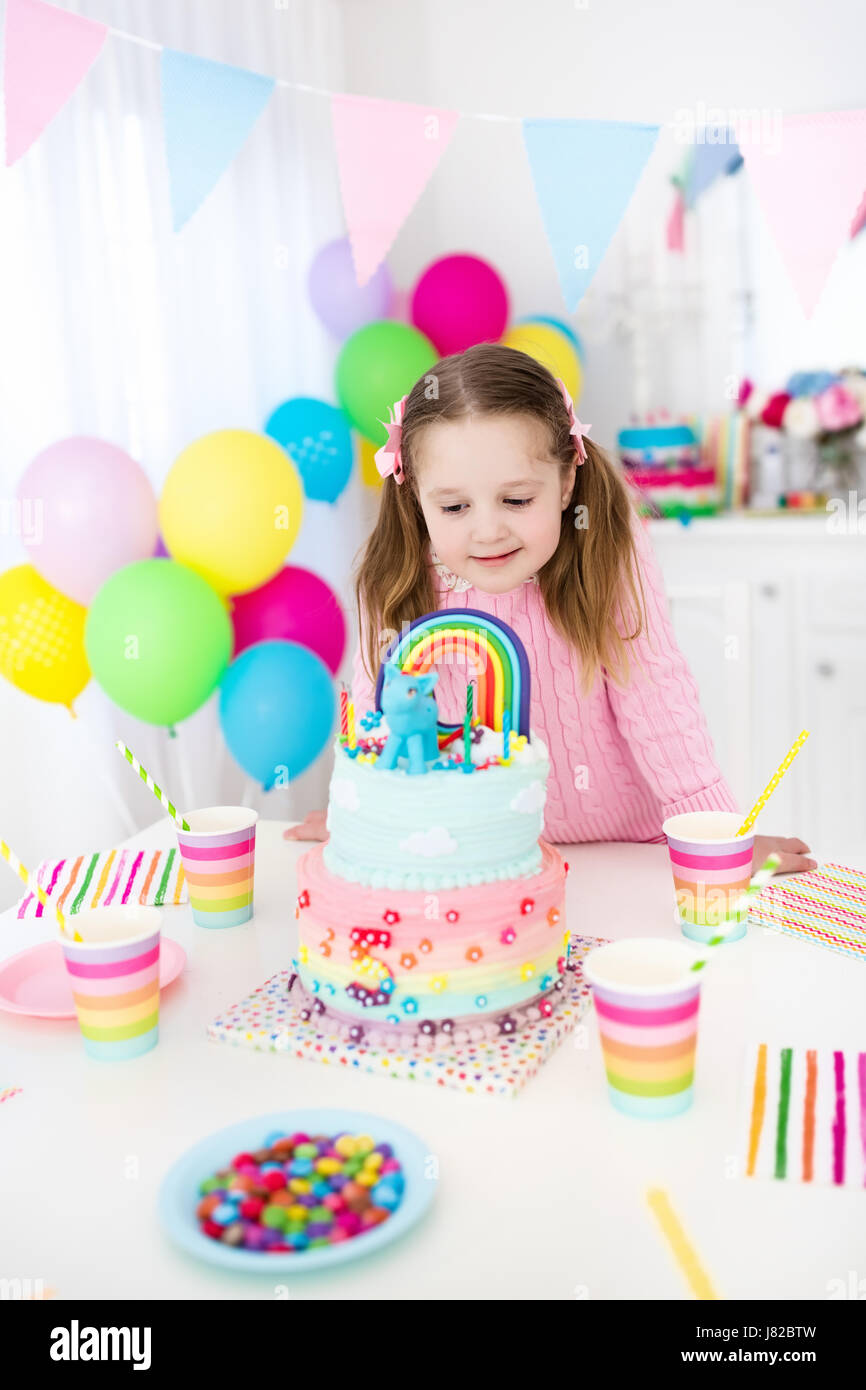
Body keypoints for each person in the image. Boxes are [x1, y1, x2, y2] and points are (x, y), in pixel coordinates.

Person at [285, 343, 814, 876]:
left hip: (629, 850)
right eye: (453, 507)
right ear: (415, 496)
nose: (488, 530)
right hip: (481, 852)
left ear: (565, 482)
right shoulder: (396, 574)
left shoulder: (607, 547)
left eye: (516, 500)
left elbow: (655, 690)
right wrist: (359, 812)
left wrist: (713, 834)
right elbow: (381, 717)